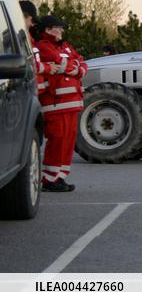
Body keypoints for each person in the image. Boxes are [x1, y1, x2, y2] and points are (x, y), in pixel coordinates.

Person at [34, 15, 88, 192]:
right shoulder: (42, 46)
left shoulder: (65, 46)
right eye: (59, 27)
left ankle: (60, 176)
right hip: (55, 103)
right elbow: (60, 62)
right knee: (57, 139)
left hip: (72, 102)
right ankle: (49, 179)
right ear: (48, 30)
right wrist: (74, 67)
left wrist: (75, 67)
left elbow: (81, 63)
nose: (62, 30)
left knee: (68, 140)